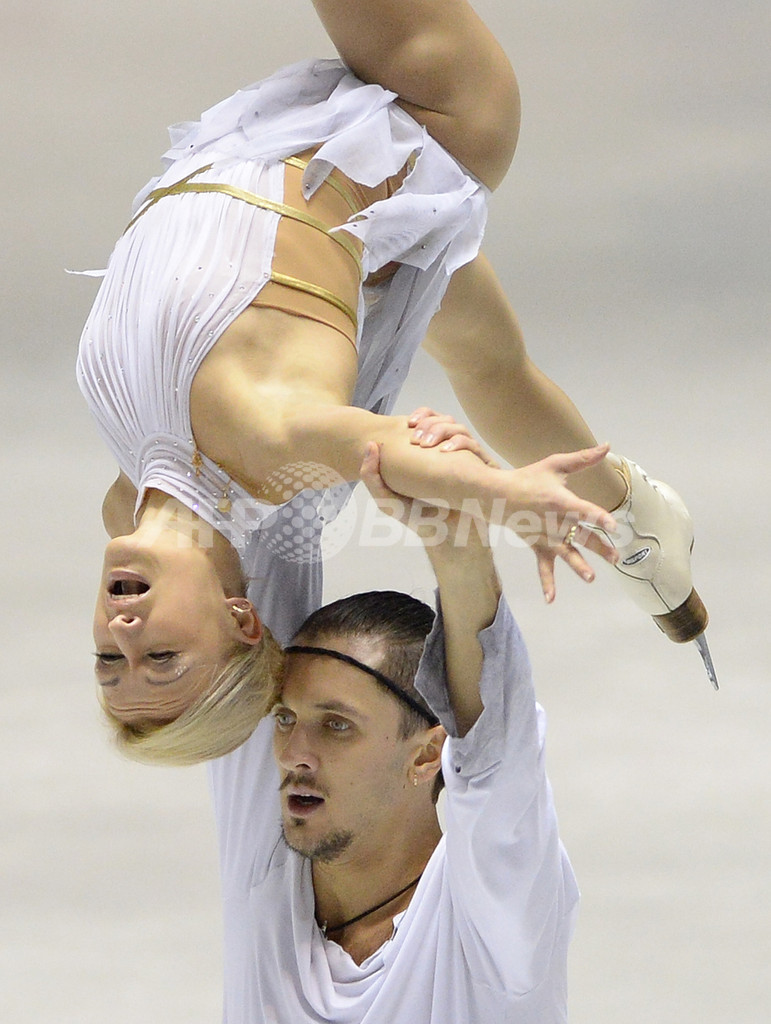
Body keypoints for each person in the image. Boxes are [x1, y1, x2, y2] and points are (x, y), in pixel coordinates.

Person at [79, 0, 710, 763]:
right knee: (491, 369)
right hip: (431, 115)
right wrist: (510, 499)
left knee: (494, 370)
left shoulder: (132, 499)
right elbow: (392, 450)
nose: (124, 636)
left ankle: (636, 525)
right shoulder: (264, 443)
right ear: (243, 621)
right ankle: (626, 529)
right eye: (162, 659)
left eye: (111, 663)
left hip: (370, 227)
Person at [208, 441, 578, 1022]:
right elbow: (256, 534)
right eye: (286, 718)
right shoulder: (268, 848)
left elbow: (496, 750)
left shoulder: (491, 918)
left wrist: (456, 544)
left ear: (427, 753)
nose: (294, 754)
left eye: (337, 725)